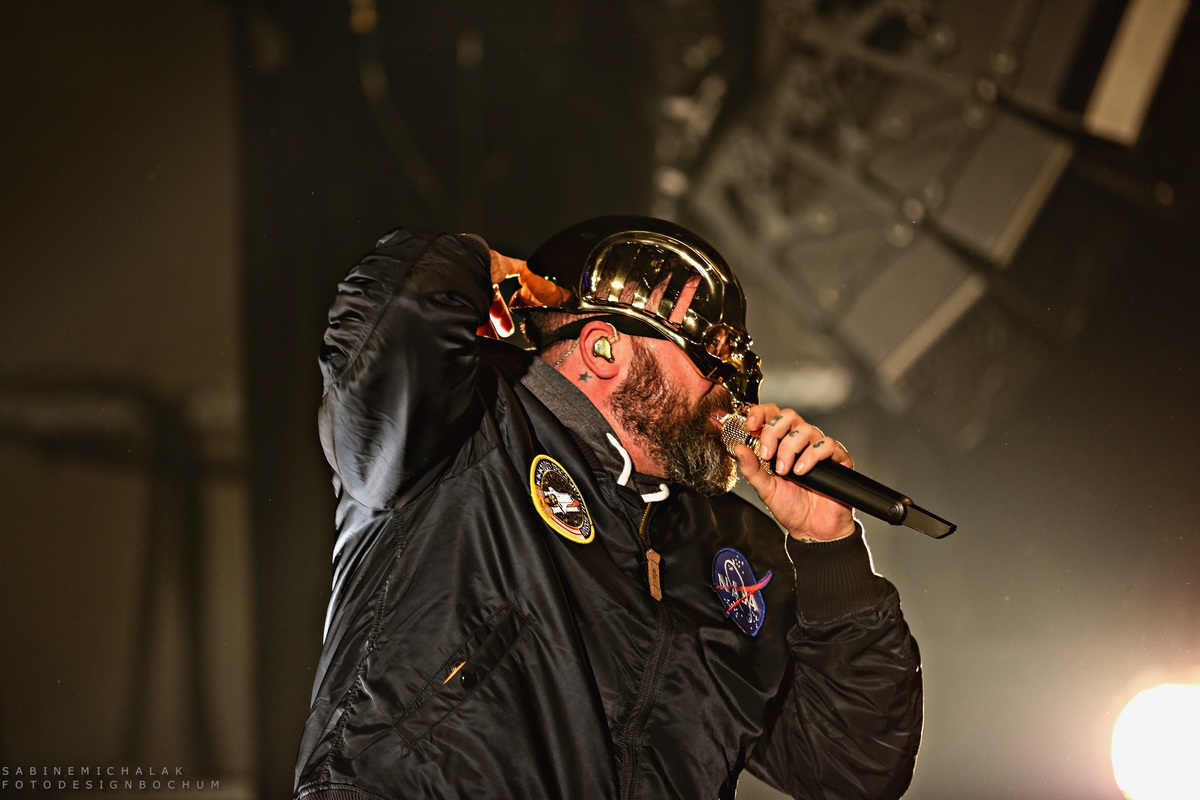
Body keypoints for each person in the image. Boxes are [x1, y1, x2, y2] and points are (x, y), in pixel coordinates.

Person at [293, 216, 923, 799]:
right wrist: (482, 264)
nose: (731, 389)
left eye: (739, 366)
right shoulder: (466, 428)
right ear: (601, 349)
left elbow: (853, 768)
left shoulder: (730, 552)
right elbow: (393, 327)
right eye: (709, 356)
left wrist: (828, 548)